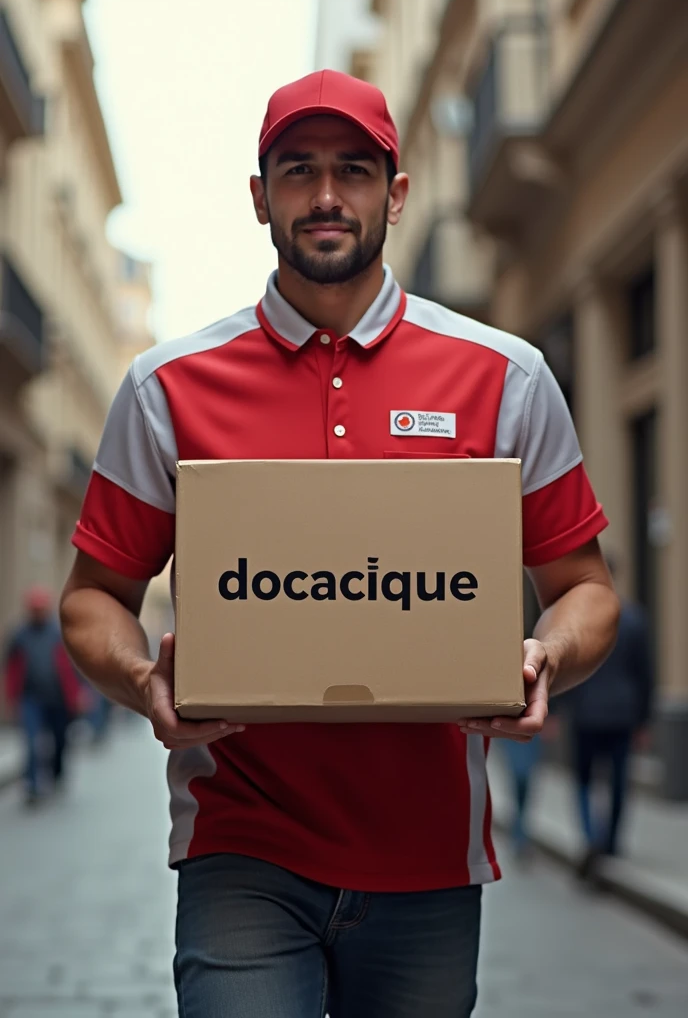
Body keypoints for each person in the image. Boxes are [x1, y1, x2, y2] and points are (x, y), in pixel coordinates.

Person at [59, 70, 619, 1018]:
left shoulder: (505, 377)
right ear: (259, 195)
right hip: (241, 845)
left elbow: (585, 587)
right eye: (298, 170)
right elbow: (91, 598)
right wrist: (140, 678)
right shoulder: (167, 390)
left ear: (396, 195)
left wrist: (545, 656)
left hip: (431, 857)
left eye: (354, 171)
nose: (326, 196)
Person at [560, 557, 653, 875]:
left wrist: (557, 711)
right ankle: (610, 841)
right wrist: (643, 720)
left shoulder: (575, 620)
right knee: (618, 780)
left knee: (584, 779)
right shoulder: (633, 618)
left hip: (585, 713)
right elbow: (645, 674)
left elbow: (567, 668)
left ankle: (590, 836)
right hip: (622, 714)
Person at [3, 586, 84, 805]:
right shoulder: (19, 636)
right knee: (31, 740)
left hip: (58, 699)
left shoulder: (59, 634)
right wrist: (11, 699)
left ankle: (56, 773)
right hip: (31, 698)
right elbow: (12, 668)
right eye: (34, 608)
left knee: (59, 740)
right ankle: (31, 784)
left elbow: (73, 667)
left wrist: (78, 694)